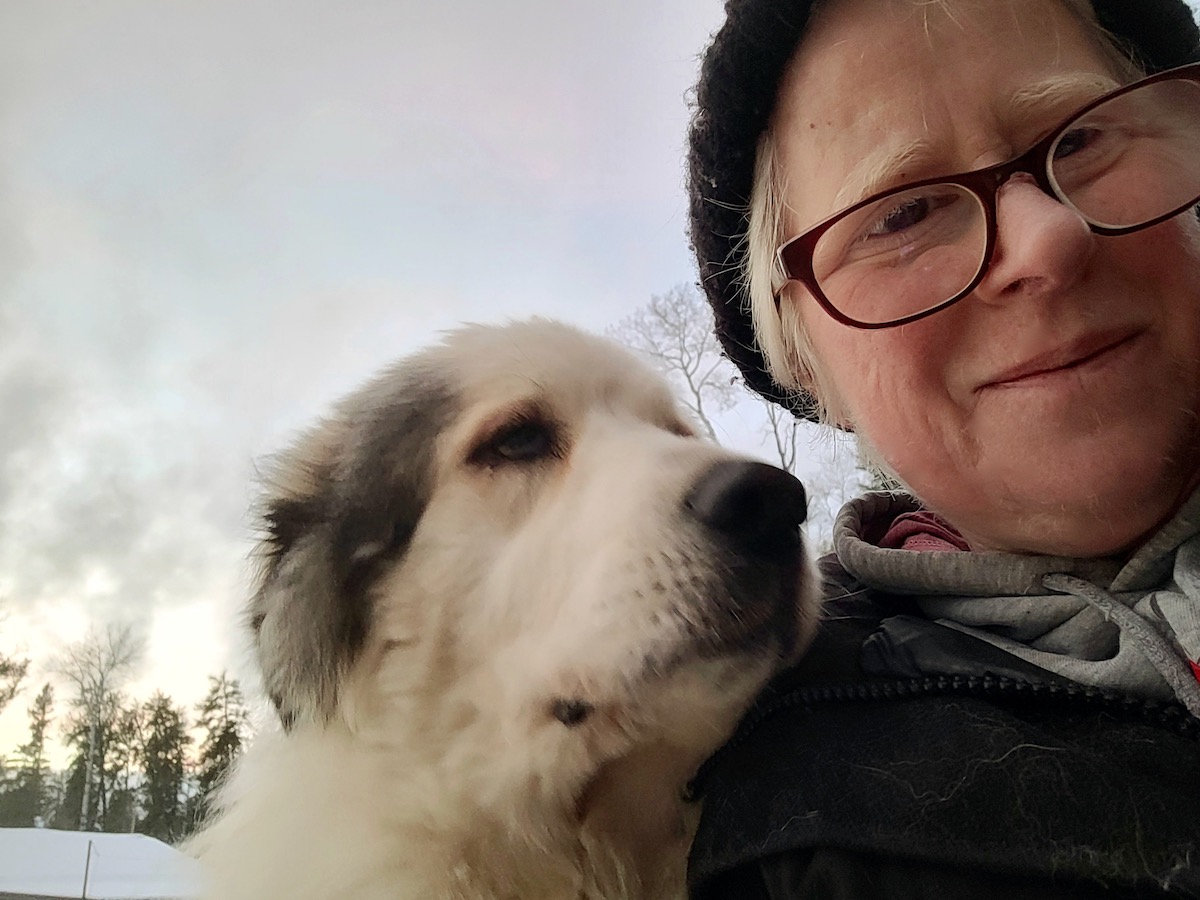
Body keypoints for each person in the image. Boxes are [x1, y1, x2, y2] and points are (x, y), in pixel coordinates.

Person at [684, 0, 1200, 896]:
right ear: (805, 364)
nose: (1049, 239)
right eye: (905, 214)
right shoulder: (783, 835)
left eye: (1081, 139)